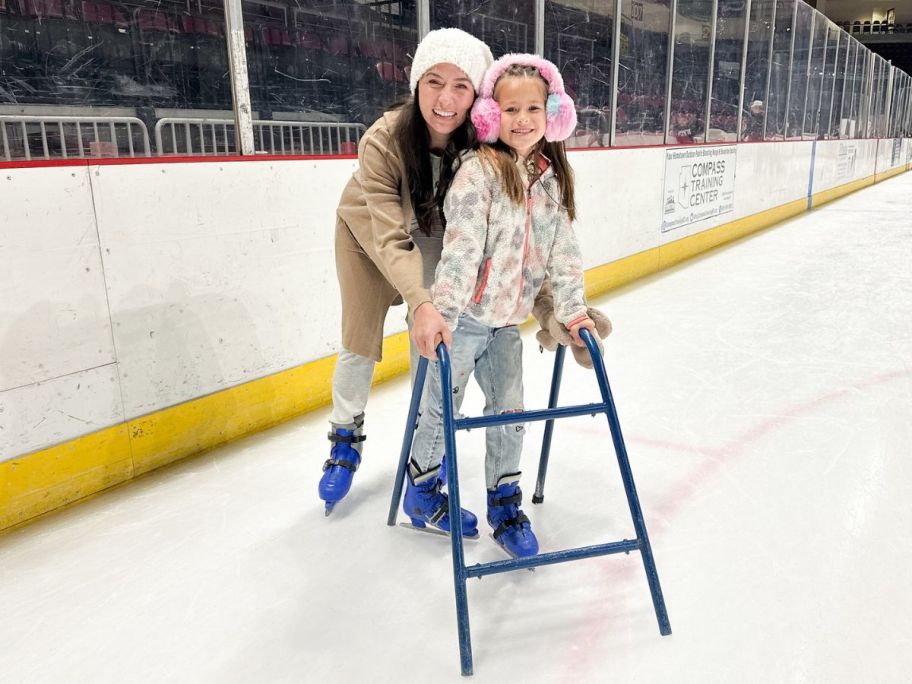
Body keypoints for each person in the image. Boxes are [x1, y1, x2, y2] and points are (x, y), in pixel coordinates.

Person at [402, 54, 601, 558]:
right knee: (440, 404)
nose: (524, 120)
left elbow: (564, 254)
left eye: (534, 108)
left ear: (553, 113)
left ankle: (505, 504)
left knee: (510, 413)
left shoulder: (550, 177)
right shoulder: (478, 171)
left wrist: (572, 314)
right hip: (466, 319)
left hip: (508, 325)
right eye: (511, 109)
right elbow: (461, 252)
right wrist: (443, 318)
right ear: (491, 115)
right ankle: (423, 490)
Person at [318, 28, 494, 517]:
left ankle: (426, 460)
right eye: (435, 81)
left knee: (436, 337)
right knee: (360, 336)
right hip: (366, 232)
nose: (446, 98)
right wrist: (417, 299)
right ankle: (344, 439)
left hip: (429, 230)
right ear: (417, 84)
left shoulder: (480, 140)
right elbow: (390, 238)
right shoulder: (384, 139)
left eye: (462, 86)